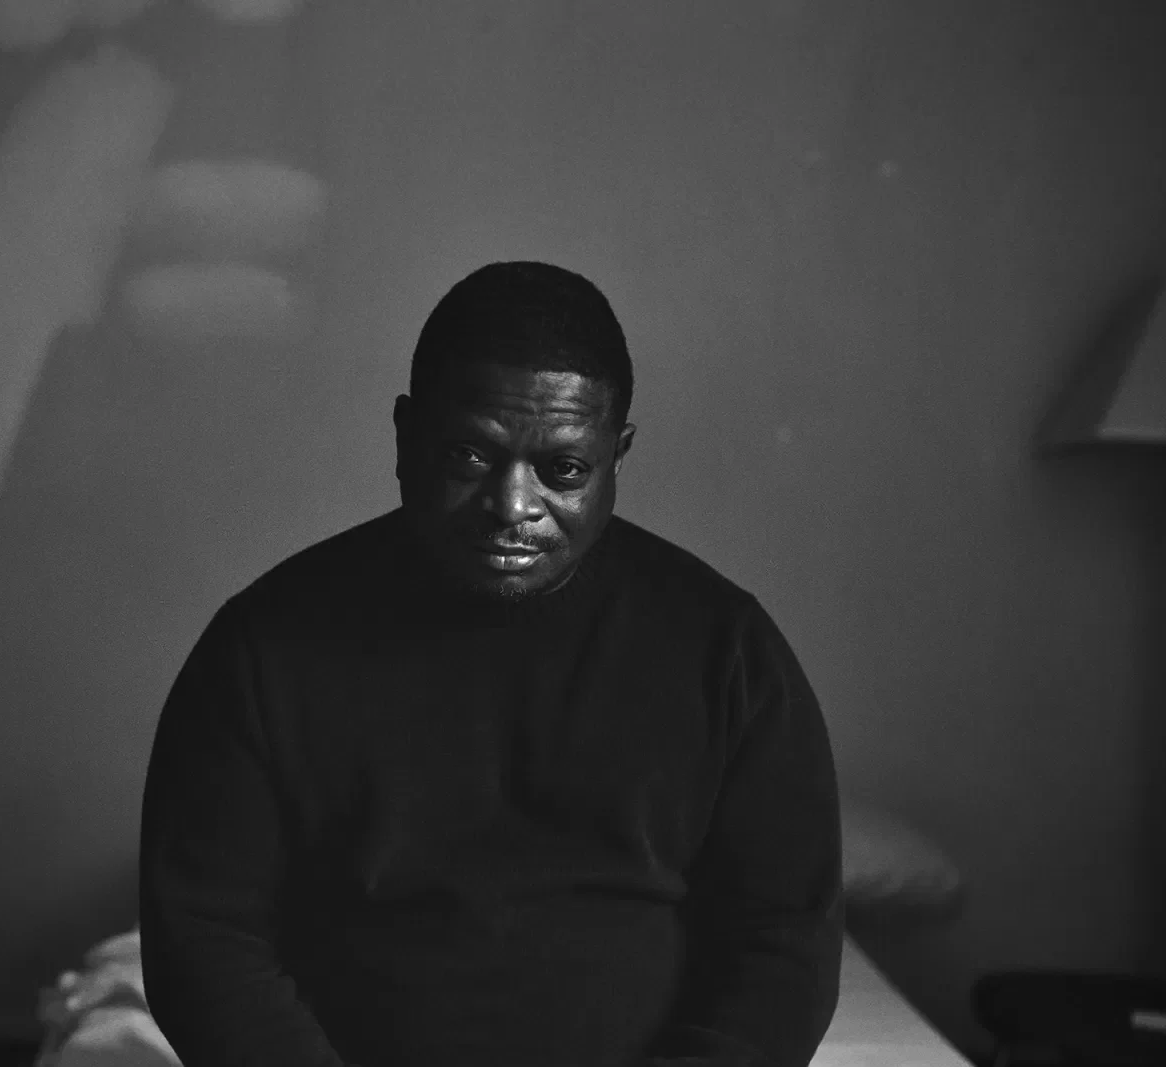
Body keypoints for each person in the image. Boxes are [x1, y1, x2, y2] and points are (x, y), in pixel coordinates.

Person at [140, 261, 843, 1067]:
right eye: (470, 455)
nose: (512, 505)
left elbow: (785, 940)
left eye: (563, 469)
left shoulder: (728, 651)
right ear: (406, 436)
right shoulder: (261, 647)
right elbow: (206, 935)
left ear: (618, 455)